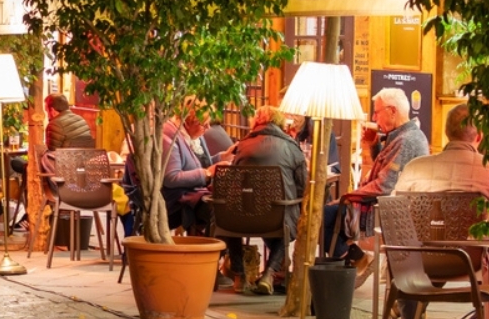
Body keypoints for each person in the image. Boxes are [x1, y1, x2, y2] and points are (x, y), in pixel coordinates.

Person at [390, 102, 489, 319]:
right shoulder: (486, 171)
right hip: (469, 259)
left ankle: (410, 315)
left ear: (447, 132)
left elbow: (394, 216)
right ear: (480, 135)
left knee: (425, 239)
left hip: (418, 260)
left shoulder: (415, 168)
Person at [323, 87, 429, 261]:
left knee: (323, 216)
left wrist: (349, 196)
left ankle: (353, 260)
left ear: (392, 111)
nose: (374, 118)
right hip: (386, 206)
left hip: (385, 212)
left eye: (377, 112)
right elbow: (386, 170)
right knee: (328, 214)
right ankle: (351, 259)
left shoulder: (406, 141)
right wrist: (374, 145)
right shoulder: (405, 135)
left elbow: (384, 185)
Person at [224, 105, 307, 295]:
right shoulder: (292, 147)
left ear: (256, 123)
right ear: (279, 124)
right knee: (289, 219)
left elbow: (233, 179)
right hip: (277, 218)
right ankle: (270, 274)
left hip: (242, 217)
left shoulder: (242, 146)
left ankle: (240, 276)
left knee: (232, 219)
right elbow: (303, 187)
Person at [162, 100, 218, 237]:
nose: (208, 128)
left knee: (227, 207)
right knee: (220, 211)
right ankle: (209, 254)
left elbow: (199, 165)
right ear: (187, 121)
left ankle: (222, 254)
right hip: (174, 200)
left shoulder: (193, 137)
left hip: (193, 194)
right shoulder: (169, 135)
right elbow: (171, 177)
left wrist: (222, 158)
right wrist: (207, 173)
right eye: (203, 124)